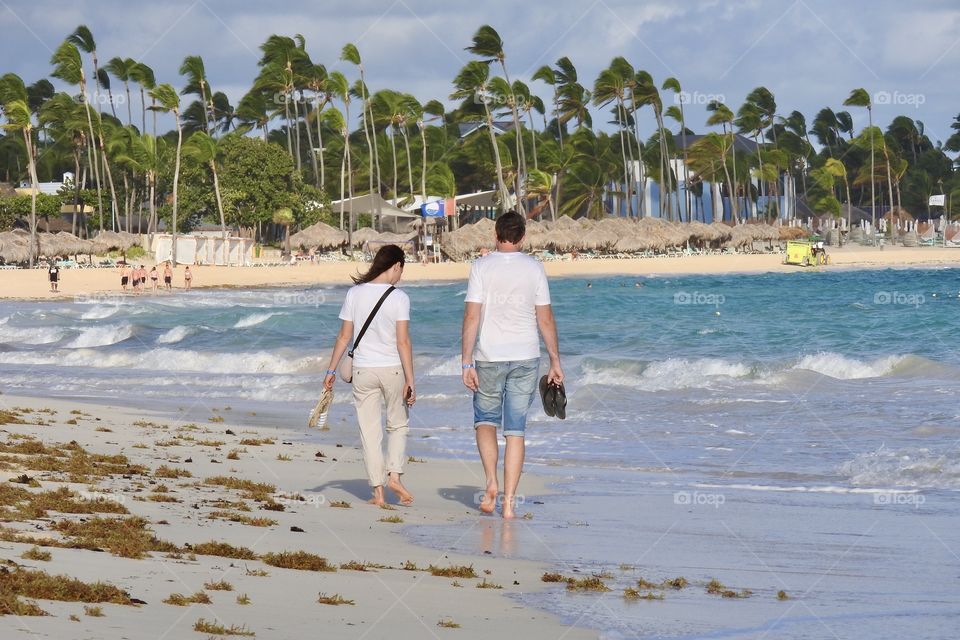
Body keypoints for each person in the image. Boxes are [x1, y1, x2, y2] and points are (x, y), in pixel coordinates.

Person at [461, 210, 563, 519]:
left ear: (496, 234)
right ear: (522, 237)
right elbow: (544, 318)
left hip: (489, 355)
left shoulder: (481, 266)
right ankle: (508, 503)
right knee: (515, 430)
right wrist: (555, 359)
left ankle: (491, 482)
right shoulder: (534, 267)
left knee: (485, 421)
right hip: (525, 356)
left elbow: (472, 316)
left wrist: (466, 361)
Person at [324, 245, 416, 507]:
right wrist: (411, 379)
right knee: (397, 425)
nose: (400, 276)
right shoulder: (400, 298)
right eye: (401, 270)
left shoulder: (355, 294)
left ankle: (378, 492)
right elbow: (403, 342)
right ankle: (394, 476)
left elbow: (344, 337)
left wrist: (331, 370)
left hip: (363, 370)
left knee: (369, 431)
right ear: (396, 265)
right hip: (393, 369)